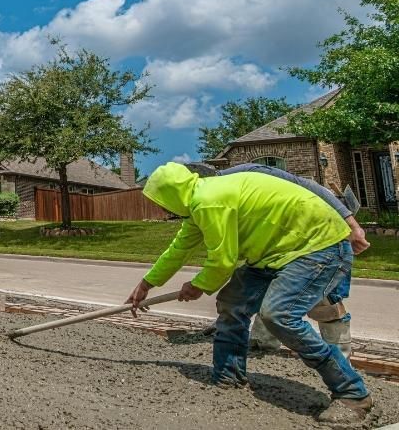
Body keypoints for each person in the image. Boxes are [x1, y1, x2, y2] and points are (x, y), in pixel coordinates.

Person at [126, 162, 372, 424]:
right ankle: (228, 377)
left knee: (279, 315)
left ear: (170, 195)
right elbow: (177, 251)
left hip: (317, 247)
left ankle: (352, 393)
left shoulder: (210, 200)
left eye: (160, 201)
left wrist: (197, 285)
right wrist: (146, 284)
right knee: (233, 303)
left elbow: (223, 262)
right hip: (273, 253)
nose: (161, 208)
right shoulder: (199, 203)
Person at [185, 162, 369, 356]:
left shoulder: (251, 173)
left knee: (326, 300)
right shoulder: (220, 200)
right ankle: (261, 344)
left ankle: (339, 355)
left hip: (320, 230)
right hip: (281, 240)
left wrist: (352, 224)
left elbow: (310, 186)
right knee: (270, 289)